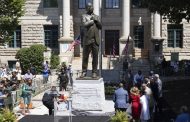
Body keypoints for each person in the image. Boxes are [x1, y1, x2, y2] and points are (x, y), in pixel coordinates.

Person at [80, 2, 102, 78]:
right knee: (85, 57)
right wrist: (92, 21)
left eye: (92, 6)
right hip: (87, 40)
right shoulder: (84, 16)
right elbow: (84, 24)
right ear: (86, 8)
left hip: (95, 40)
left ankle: (94, 72)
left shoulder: (97, 16)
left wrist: (97, 21)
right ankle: (84, 71)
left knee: (95, 57)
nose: (91, 7)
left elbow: (100, 27)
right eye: (89, 7)